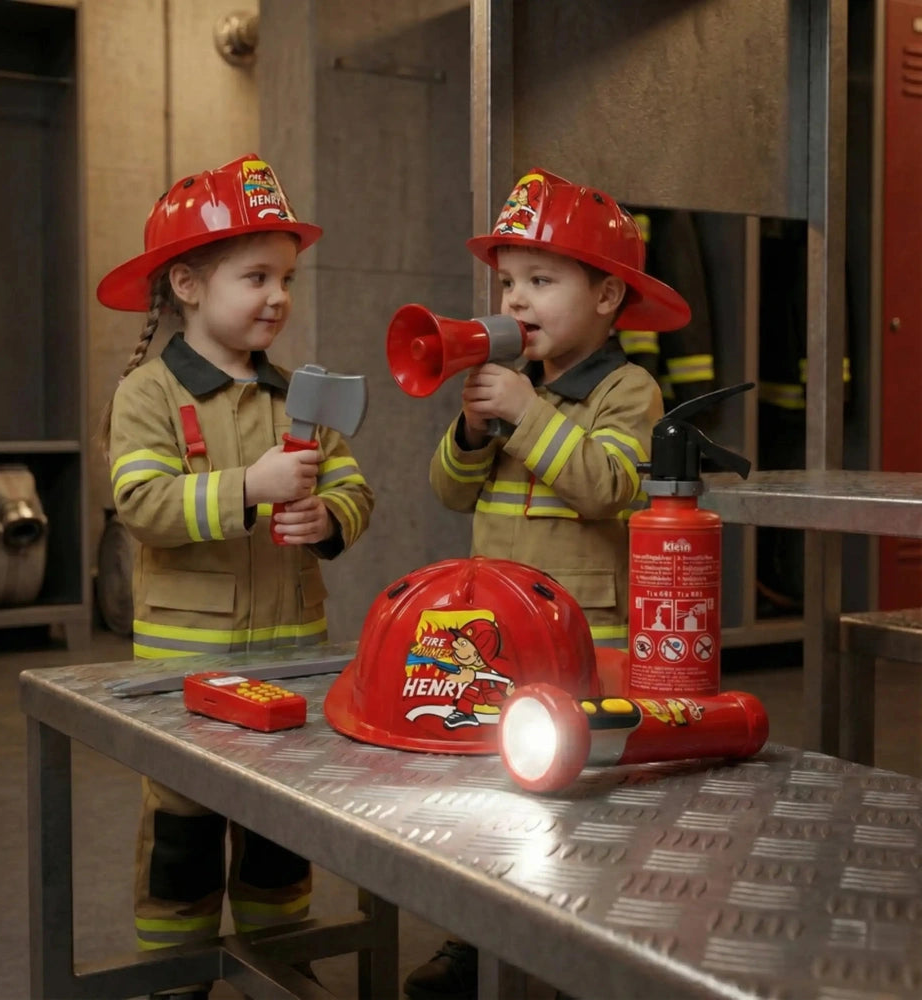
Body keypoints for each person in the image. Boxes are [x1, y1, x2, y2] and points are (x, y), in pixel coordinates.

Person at [406, 167, 690, 1000]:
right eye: (508, 283)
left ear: (607, 296)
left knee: (580, 794)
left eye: (541, 281)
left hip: (588, 640)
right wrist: (472, 429)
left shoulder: (628, 390)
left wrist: (528, 416)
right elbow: (449, 491)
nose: (516, 301)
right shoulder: (508, 385)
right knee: (491, 789)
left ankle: (580, 940)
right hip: (498, 632)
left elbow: (610, 486)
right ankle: (473, 938)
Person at [96, 154, 374, 1000]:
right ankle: (175, 976)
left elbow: (354, 487)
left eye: (286, 278)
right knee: (183, 834)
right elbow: (142, 503)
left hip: (291, 662)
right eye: (256, 277)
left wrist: (329, 517)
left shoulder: (304, 397)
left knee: (279, 833)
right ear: (187, 284)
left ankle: (279, 960)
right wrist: (247, 487)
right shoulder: (147, 395)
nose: (278, 296)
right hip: (186, 670)